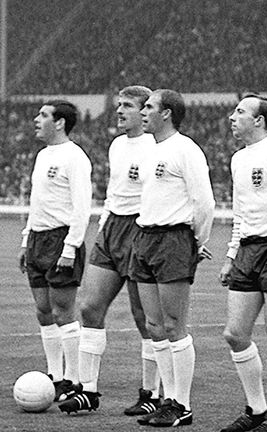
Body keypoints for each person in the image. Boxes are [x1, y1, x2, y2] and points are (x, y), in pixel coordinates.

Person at [57, 86, 160, 415]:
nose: (119, 111)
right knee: (89, 308)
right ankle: (88, 390)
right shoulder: (117, 145)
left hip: (140, 229)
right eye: (119, 105)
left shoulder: (156, 147)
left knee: (144, 318)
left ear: (145, 111)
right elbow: (116, 193)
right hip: (111, 227)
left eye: (127, 106)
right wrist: (103, 227)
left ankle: (151, 393)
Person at [129, 89, 215, 428]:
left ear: (166, 113)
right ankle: (166, 400)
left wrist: (195, 242)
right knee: (153, 326)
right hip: (145, 237)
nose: (144, 112)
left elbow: (204, 202)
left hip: (173, 239)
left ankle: (183, 404)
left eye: (149, 107)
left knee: (173, 325)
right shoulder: (151, 151)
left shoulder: (185, 149)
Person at [218, 93, 267, 432]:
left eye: (240, 112)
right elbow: (241, 212)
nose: (232, 117)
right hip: (248, 250)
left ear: (260, 120)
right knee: (235, 334)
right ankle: (257, 409)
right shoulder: (238, 159)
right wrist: (232, 254)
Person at [18, 100, 92, 403]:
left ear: (60, 122)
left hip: (61, 240)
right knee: (43, 310)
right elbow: (37, 203)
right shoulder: (42, 155)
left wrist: (70, 247)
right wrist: (26, 240)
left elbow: (82, 207)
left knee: (63, 312)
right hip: (37, 239)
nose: (37, 120)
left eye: (43, 115)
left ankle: (73, 380)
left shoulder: (75, 157)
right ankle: (55, 375)